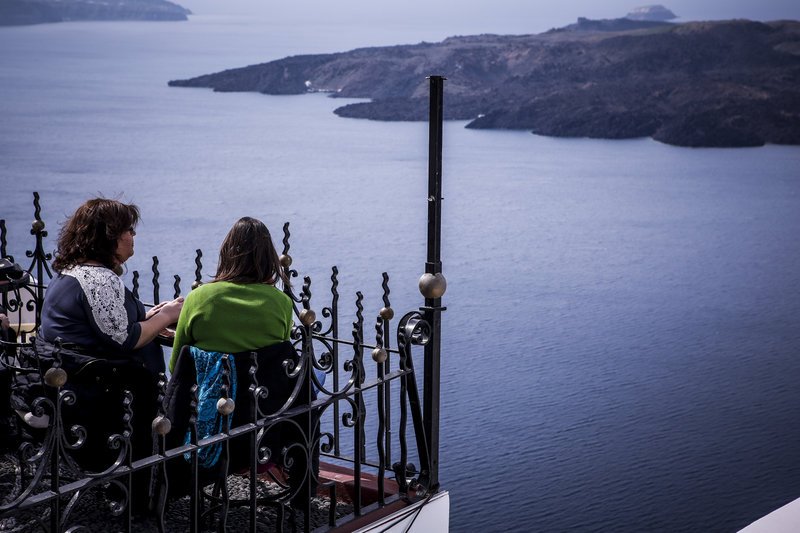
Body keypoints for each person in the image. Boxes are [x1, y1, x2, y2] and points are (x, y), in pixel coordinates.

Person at [15, 198, 183, 511]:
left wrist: (151, 315)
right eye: (128, 231)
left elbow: (106, 324)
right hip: (94, 395)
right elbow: (125, 338)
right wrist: (168, 314)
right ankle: (136, 498)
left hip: (62, 381)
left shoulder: (70, 274)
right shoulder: (100, 280)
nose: (133, 237)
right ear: (110, 237)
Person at [162, 217, 316, 509]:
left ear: (226, 254)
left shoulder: (198, 299)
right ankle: (300, 489)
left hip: (205, 430)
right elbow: (279, 361)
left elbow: (176, 367)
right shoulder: (280, 304)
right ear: (268, 258)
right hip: (262, 429)